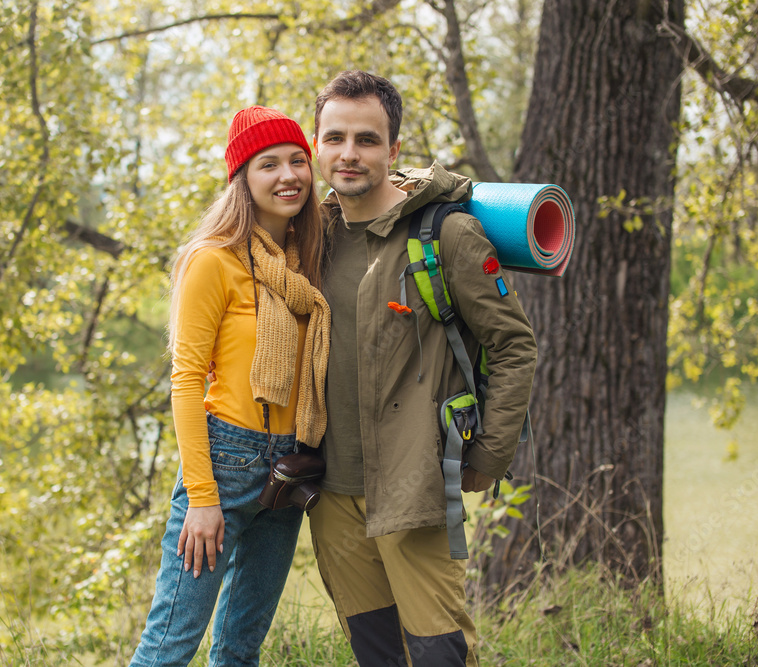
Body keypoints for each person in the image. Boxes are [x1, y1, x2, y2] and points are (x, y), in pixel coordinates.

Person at [308, 70, 538, 666]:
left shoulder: (449, 236)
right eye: (334, 138)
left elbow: (514, 345)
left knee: (439, 653)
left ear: (394, 149)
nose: (348, 154)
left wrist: (488, 455)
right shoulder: (311, 236)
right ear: (316, 145)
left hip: (415, 487)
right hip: (332, 493)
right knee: (375, 653)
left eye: (366, 139)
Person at [128, 106, 330, 667]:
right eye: (269, 164)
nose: (289, 175)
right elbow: (186, 381)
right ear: (242, 179)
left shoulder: (306, 260)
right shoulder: (211, 261)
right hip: (225, 460)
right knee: (169, 647)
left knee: (240, 649)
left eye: (298, 161)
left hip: (292, 467)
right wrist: (202, 498)